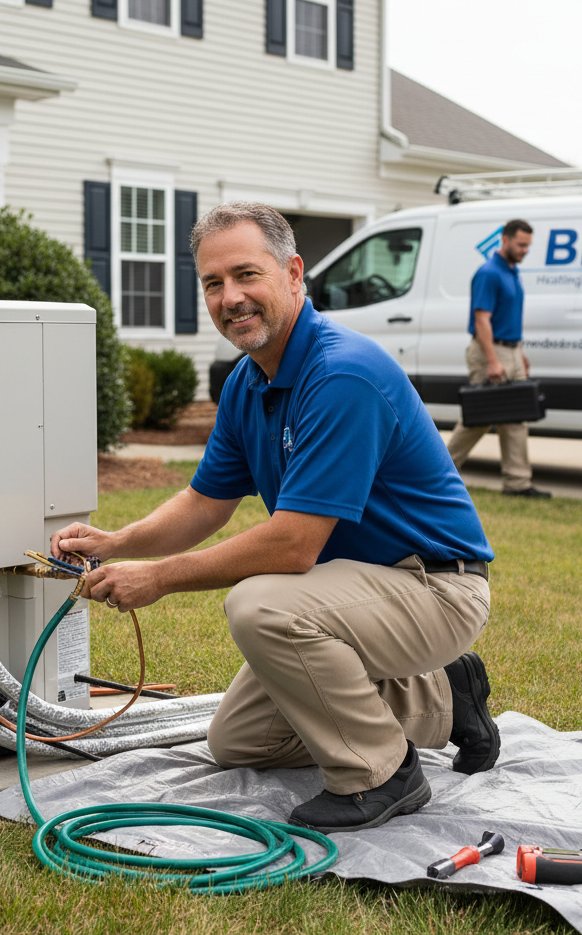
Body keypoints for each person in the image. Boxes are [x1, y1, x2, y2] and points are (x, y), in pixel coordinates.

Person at [51, 202, 500, 833]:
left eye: (246, 275)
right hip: (359, 586)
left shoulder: (341, 374)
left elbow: (293, 547)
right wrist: (119, 541)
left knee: (262, 605)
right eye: (213, 283)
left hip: (435, 586)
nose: (230, 297)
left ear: (293, 273)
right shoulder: (248, 381)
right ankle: (445, 700)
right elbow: (205, 501)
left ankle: (381, 773)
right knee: (239, 741)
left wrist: (158, 578)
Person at [446, 219, 551, 498]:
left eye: (528, 245)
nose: (525, 250)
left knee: (517, 416)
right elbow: (482, 319)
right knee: (478, 418)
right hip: (489, 350)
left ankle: (517, 483)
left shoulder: (512, 271)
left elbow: (508, 317)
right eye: (520, 244)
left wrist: (520, 354)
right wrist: (493, 360)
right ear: (504, 240)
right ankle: (436, 472)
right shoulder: (488, 273)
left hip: (512, 350)